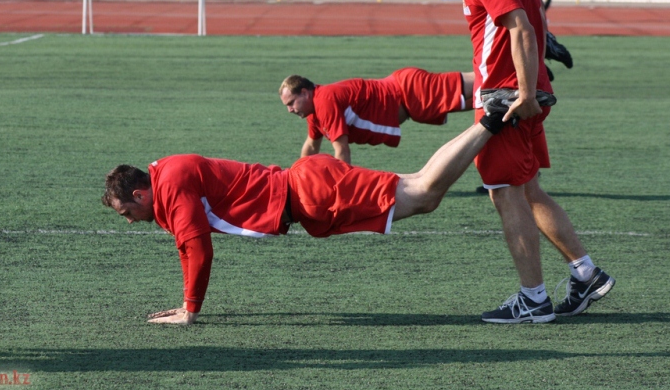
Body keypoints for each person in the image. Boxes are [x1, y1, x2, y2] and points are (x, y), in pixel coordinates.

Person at [102, 111, 510, 325]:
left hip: (311, 194)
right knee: (419, 185)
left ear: (139, 193)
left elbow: (197, 249)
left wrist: (190, 309)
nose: (131, 221)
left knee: (424, 195)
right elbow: (188, 245)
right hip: (307, 188)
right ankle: (489, 119)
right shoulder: (166, 171)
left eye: (128, 212)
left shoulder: (170, 183)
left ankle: (491, 120)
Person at [424, 0, 614, 324]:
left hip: (507, 98)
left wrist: (524, 93)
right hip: (526, 91)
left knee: (504, 192)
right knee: (528, 188)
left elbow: (521, 28)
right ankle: (585, 273)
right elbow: (534, 21)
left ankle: (534, 299)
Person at [279, 68, 474, 164]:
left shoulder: (324, 101)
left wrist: (340, 187)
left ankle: (502, 68)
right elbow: (311, 146)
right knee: (485, 98)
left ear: (305, 93)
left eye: (291, 103)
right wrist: (298, 176)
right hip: (409, 100)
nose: (290, 109)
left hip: (410, 90)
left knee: (483, 81)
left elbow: (342, 151)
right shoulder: (315, 112)